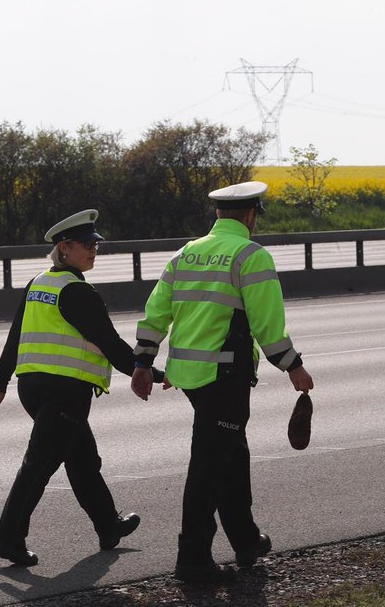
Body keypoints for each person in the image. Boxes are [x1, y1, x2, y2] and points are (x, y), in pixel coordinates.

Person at [130, 181, 315, 583]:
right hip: (224, 374)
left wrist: (143, 361)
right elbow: (267, 323)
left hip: (190, 377)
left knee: (232, 455)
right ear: (251, 215)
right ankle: (193, 558)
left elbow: (156, 310)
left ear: (218, 215)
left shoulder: (185, 253)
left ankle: (246, 540)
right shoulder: (251, 255)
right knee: (209, 465)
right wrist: (293, 366)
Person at [0, 209, 166, 566]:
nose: (94, 250)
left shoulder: (40, 282)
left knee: (83, 460)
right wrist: (149, 372)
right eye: (87, 245)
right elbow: (110, 343)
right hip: (65, 391)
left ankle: (109, 526)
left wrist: (2, 377)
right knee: (38, 465)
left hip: (33, 387)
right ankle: (8, 540)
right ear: (64, 247)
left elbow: (16, 334)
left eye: (96, 245)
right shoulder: (78, 291)